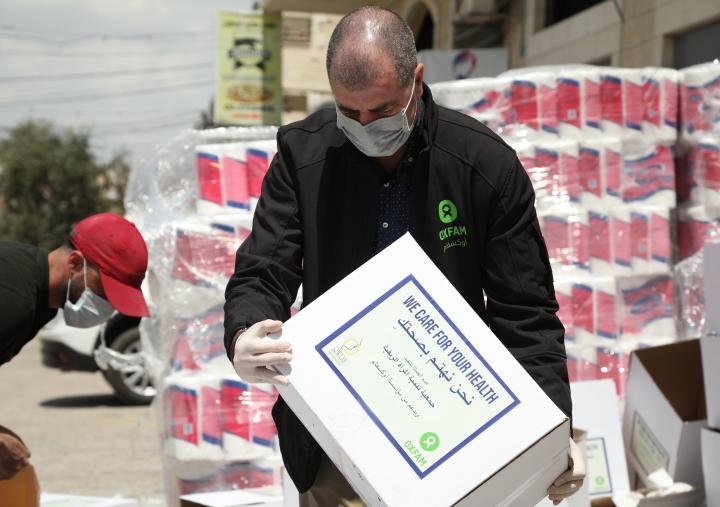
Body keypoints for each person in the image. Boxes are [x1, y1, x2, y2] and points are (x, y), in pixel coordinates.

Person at [224, 6, 583, 506]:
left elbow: (525, 314)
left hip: (458, 439)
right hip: (339, 439)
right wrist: (244, 331)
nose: (366, 125)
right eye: (349, 113)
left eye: (383, 110)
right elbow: (266, 268)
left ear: (417, 79)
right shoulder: (306, 156)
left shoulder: (483, 167)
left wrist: (552, 431)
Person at [0, 212, 150, 480]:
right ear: (75, 262)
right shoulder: (14, 300)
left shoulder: (39, 293)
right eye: (104, 291)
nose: (107, 305)